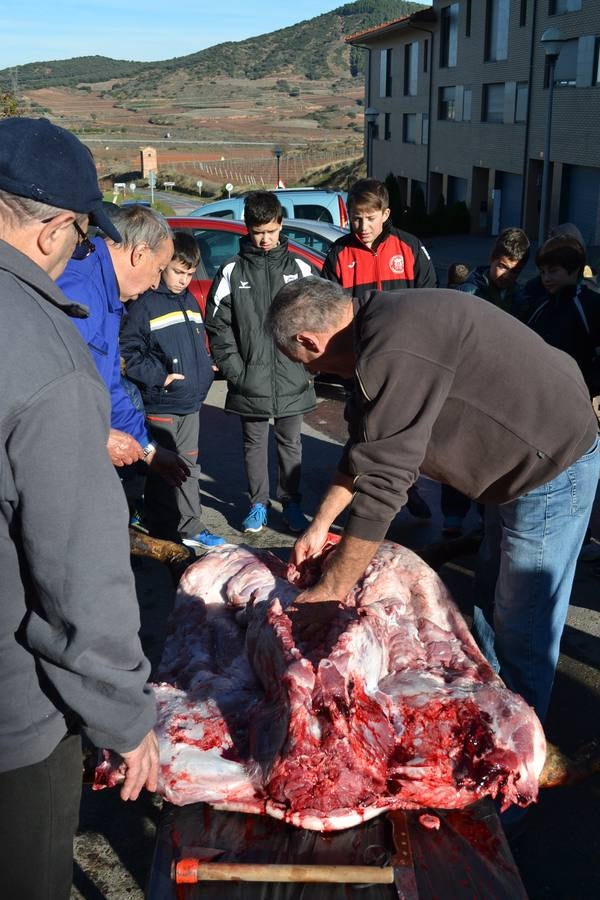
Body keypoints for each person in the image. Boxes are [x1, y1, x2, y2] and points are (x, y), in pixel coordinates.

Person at [266, 276, 599, 732]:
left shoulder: (394, 347)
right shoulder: (373, 331)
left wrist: (332, 590)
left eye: (302, 361)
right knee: (489, 600)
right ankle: (486, 705)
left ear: (310, 339)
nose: (309, 373)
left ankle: (518, 759)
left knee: (524, 624)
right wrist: (320, 525)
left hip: (550, 465)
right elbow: (366, 448)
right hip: (510, 468)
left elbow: (385, 483)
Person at [0, 117, 158, 900]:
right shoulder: (44, 354)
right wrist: (126, 719)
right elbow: (78, 570)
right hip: (11, 722)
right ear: (56, 228)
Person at [322, 177, 438, 521]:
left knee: (405, 432)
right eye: (356, 218)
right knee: (362, 431)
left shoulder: (410, 247)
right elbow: (329, 309)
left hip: (405, 361)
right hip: (360, 362)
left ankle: (408, 489)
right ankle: (362, 499)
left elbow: (430, 300)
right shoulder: (339, 253)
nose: (363, 226)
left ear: (385, 214)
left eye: (370, 217)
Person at [205, 190, 316, 534]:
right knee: (253, 443)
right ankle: (257, 504)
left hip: (291, 377)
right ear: (247, 228)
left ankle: (292, 503)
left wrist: (306, 364)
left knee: (290, 443)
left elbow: (318, 320)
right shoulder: (231, 272)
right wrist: (236, 371)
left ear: (281, 225)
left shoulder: (300, 269)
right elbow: (217, 325)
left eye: (270, 230)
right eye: (257, 232)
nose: (265, 239)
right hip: (249, 378)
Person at [57, 204, 189, 488]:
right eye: (159, 269)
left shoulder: (107, 294)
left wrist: (148, 451)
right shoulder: (78, 294)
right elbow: (45, 392)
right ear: (139, 254)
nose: (156, 283)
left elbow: (108, 386)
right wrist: (97, 436)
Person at [120, 231, 224, 549]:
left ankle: (191, 526)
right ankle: (163, 531)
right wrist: (159, 376)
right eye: (178, 271)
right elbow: (128, 350)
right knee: (161, 470)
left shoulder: (190, 301)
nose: (183, 279)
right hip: (161, 403)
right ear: (164, 264)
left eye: (190, 274)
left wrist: (206, 366)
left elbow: (196, 344)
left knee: (189, 468)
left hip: (191, 403)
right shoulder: (146, 303)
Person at [457, 226, 530, 318]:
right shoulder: (469, 293)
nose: (507, 276)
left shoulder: (520, 298)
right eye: (502, 267)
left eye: (515, 271)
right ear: (492, 258)